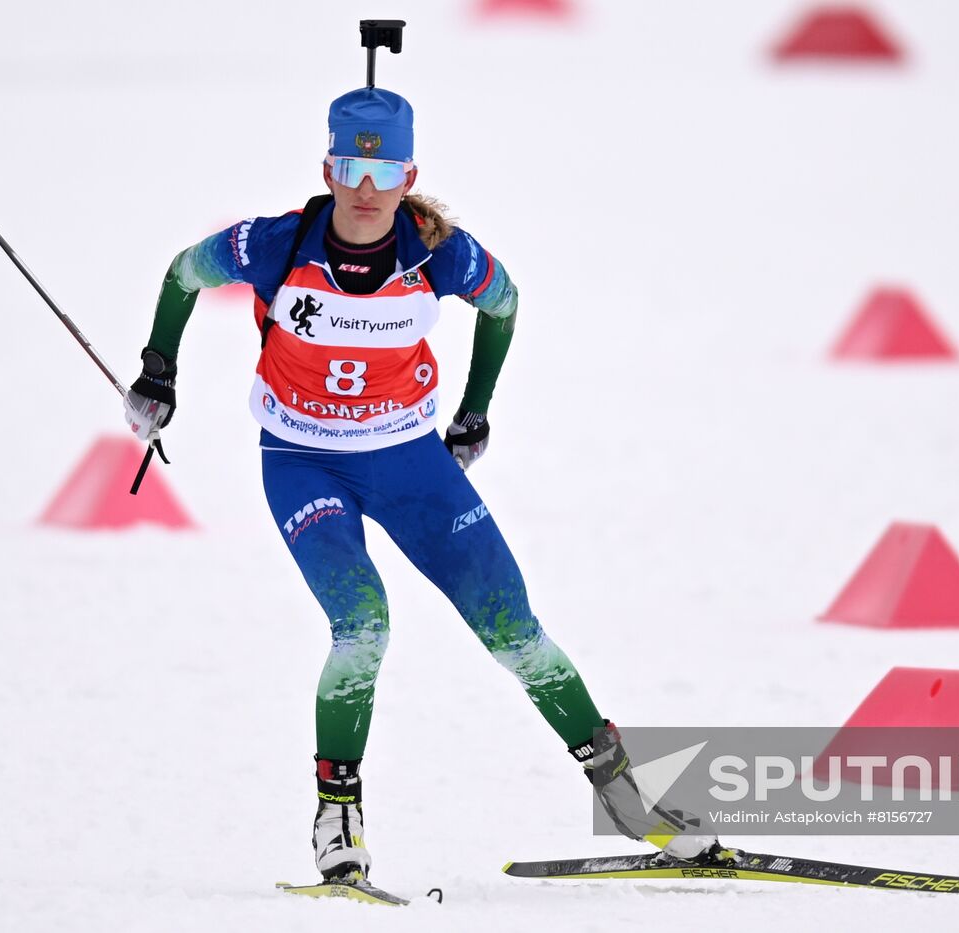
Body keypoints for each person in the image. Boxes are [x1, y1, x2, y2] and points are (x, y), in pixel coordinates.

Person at [122, 84, 722, 883]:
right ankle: (338, 817)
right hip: (303, 461)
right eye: (350, 170)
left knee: (514, 629)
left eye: (386, 172)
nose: (366, 191)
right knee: (361, 625)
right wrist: (157, 371)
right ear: (327, 169)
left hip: (409, 459)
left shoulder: (443, 254)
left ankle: (622, 793)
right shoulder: (273, 244)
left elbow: (503, 305)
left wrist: (474, 413)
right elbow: (182, 273)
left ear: (410, 176)